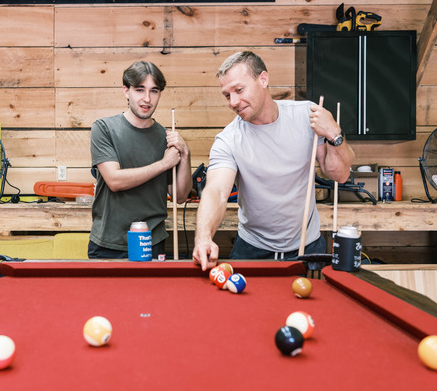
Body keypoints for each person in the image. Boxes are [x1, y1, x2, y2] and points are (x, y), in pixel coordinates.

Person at [193, 51, 354, 270]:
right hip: (252, 249)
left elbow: (340, 174)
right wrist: (203, 237)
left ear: (263, 79)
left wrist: (334, 133)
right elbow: (216, 192)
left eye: (239, 90)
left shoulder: (306, 116)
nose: (233, 102)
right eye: (227, 95)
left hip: (307, 247)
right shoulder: (228, 139)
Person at [89, 61, 193, 259]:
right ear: (126, 91)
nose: (147, 99)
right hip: (108, 242)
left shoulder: (165, 138)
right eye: (139, 90)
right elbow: (115, 181)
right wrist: (163, 164)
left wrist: (185, 154)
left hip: (151, 241)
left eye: (154, 91)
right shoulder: (103, 128)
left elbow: (179, 196)